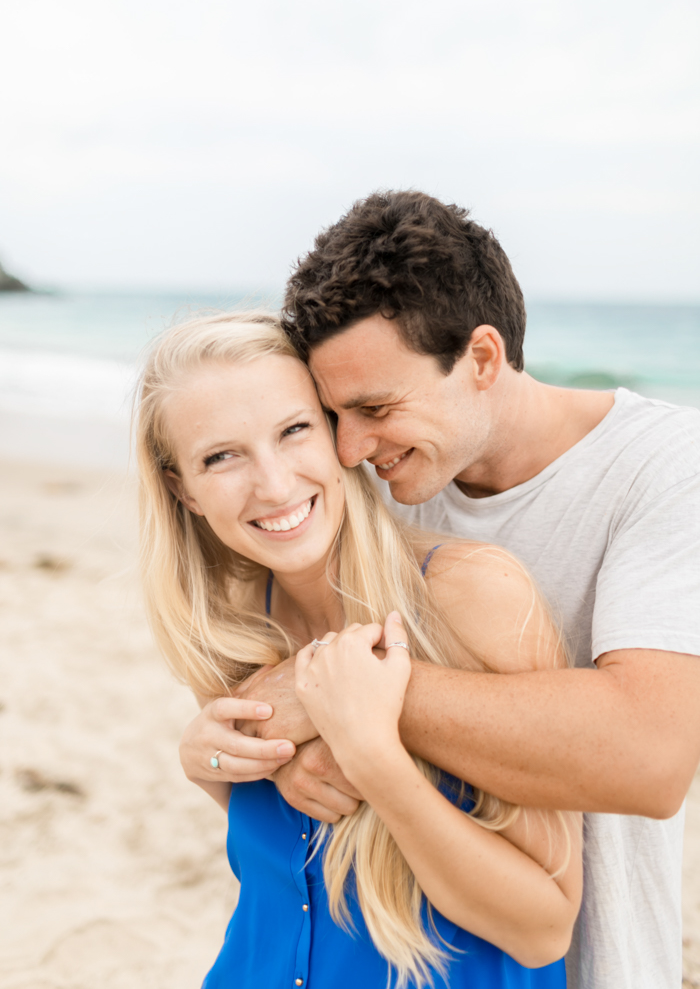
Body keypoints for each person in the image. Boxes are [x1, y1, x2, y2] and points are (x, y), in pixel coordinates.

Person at [181, 191, 700, 989]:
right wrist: (248, 754)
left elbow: (653, 758)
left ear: (483, 359)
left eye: (375, 408)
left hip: (599, 958)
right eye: (331, 414)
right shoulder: (377, 475)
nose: (350, 447)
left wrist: (334, 697)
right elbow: (287, 708)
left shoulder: (665, 470)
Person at [137, 311, 582, 989]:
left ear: (340, 433)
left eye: (294, 431)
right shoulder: (231, 630)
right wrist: (214, 766)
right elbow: (304, 857)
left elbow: (543, 927)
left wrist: (375, 758)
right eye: (220, 456)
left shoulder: (470, 596)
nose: (276, 485)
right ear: (183, 490)